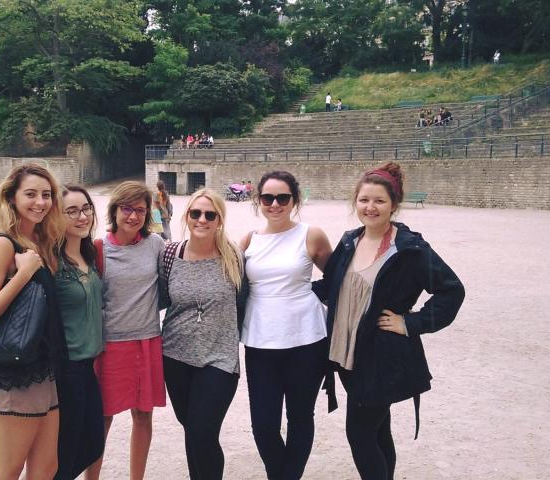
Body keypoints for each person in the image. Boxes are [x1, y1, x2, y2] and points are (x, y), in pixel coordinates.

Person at [315, 162, 465, 480]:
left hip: (381, 357)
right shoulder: (348, 242)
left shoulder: (410, 249)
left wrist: (412, 323)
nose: (370, 207)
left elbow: (451, 291)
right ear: (355, 201)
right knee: (378, 430)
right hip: (346, 355)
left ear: (393, 205)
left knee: (359, 434)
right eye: (364, 200)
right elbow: (329, 288)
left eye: (379, 201)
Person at [0, 163, 66, 480]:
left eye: (47, 195)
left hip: (43, 366)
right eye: (31, 194)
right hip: (15, 370)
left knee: (46, 467)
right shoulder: (3, 244)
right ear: (11, 198)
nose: (40, 202)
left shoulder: (39, 242)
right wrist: (22, 274)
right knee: (8, 468)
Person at [239, 170, 333, 480]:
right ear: (258, 201)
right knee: (263, 424)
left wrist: (310, 296)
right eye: (268, 198)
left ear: (295, 200)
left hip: (306, 339)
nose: (275, 204)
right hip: (261, 340)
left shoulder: (311, 235)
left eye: (283, 198)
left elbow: (337, 280)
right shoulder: (249, 240)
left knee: (300, 417)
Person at [160, 188, 246, 480]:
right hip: (175, 354)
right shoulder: (171, 254)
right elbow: (158, 299)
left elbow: (247, 302)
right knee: (191, 429)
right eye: (196, 213)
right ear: (187, 216)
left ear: (219, 220)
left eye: (210, 215)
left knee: (203, 430)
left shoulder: (233, 257)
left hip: (219, 358)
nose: (202, 219)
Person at [86, 181, 166, 480]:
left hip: (147, 341)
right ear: (115, 210)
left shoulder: (156, 245)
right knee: (102, 417)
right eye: (127, 209)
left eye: (140, 210)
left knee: (143, 416)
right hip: (112, 345)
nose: (133, 216)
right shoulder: (98, 248)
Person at [53, 185, 105, 479]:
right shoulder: (52, 262)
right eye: (71, 211)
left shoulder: (89, 254)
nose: (82, 216)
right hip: (66, 368)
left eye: (86, 208)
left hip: (88, 366)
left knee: (92, 443)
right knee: (67, 448)